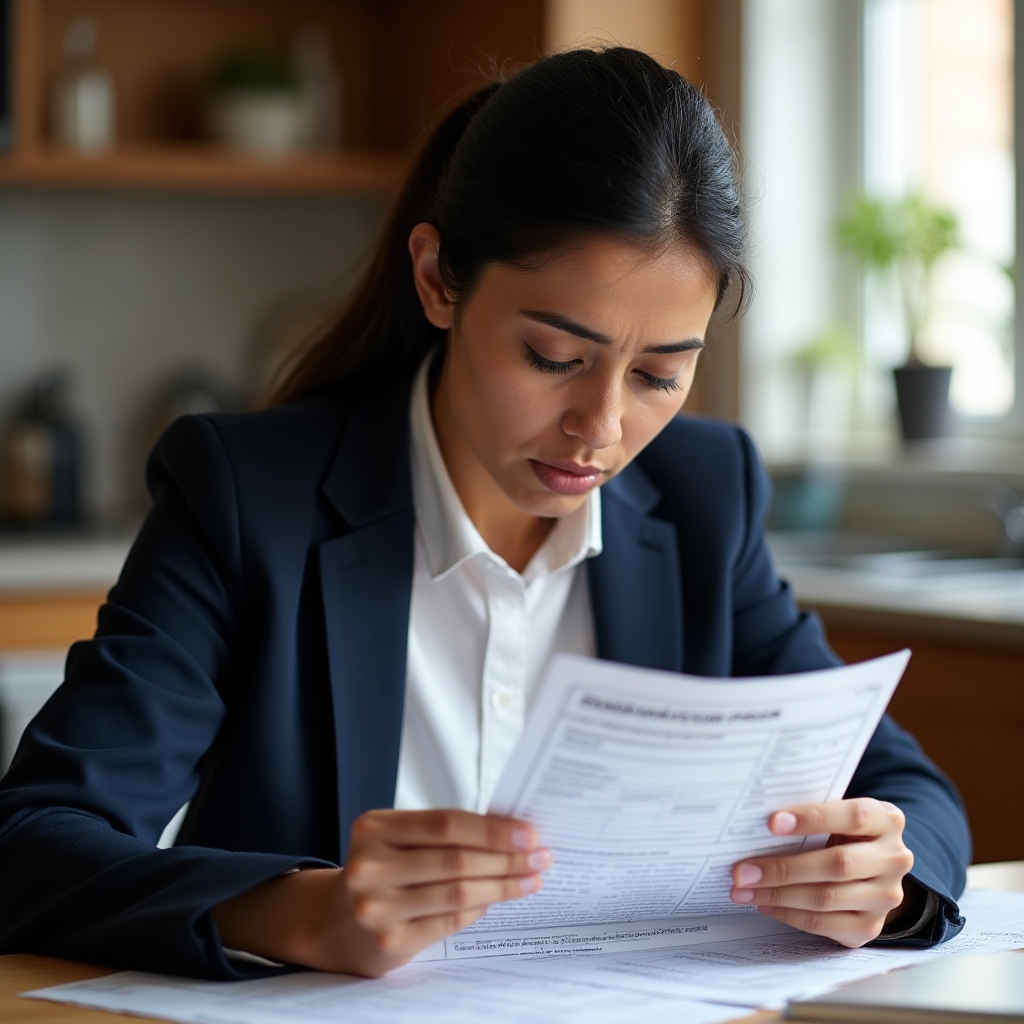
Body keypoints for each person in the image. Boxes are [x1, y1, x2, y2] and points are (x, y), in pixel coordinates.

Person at [0, 48, 969, 980]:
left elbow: (910, 794)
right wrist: (301, 909)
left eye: (660, 374)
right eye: (553, 357)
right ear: (437, 280)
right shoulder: (251, 499)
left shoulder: (700, 497)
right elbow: (33, 842)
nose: (601, 425)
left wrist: (883, 878)